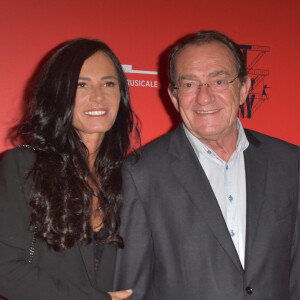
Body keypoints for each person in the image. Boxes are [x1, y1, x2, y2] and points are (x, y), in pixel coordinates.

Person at [114, 30, 300, 299]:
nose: (204, 97)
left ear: (244, 88)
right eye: (189, 84)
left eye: (219, 81)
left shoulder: (289, 163)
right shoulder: (140, 175)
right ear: (174, 97)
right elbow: (131, 290)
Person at [0, 38, 140, 300]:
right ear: (59, 92)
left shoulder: (131, 176)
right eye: (81, 84)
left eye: (108, 83)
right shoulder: (23, 167)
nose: (98, 96)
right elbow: (6, 271)